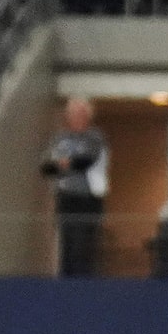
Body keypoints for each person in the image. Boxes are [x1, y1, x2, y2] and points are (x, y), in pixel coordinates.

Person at [43, 97, 109, 276]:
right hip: (66, 197)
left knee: (84, 246)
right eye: (73, 114)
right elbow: (47, 168)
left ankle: (84, 284)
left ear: (88, 116)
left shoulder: (95, 137)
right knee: (67, 243)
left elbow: (86, 161)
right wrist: (62, 165)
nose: (76, 118)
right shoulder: (60, 138)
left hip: (89, 198)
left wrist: (65, 164)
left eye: (80, 114)